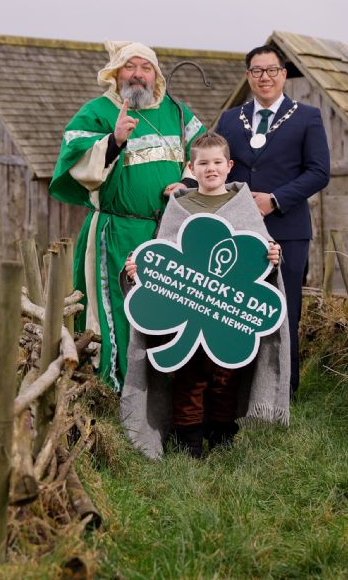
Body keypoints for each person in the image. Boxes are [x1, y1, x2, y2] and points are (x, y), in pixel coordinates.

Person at [120, 132, 291, 458]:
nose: (210, 169)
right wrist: (137, 270)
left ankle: (223, 439)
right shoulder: (178, 207)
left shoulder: (243, 207)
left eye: (216, 163)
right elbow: (163, 257)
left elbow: (259, 260)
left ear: (229, 166)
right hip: (185, 316)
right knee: (189, 378)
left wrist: (272, 259)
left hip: (228, 318)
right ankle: (189, 445)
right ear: (191, 167)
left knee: (225, 378)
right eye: (203, 163)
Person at [50, 41, 206, 391]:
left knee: (170, 308)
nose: (138, 74)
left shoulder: (177, 112)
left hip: (169, 231)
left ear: (156, 75)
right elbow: (74, 163)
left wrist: (186, 181)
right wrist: (114, 140)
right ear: (116, 74)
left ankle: (167, 390)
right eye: (129, 67)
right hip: (118, 231)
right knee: (121, 309)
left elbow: (205, 152)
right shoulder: (97, 112)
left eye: (145, 67)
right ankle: (115, 387)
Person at [214, 44, 330, 396]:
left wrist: (274, 200)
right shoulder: (230, 119)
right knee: (235, 306)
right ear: (248, 76)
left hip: (287, 231)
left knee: (284, 309)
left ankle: (283, 392)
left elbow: (319, 172)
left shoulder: (307, 117)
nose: (264, 77)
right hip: (237, 229)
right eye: (256, 71)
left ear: (284, 74)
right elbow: (215, 164)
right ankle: (237, 390)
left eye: (271, 70)